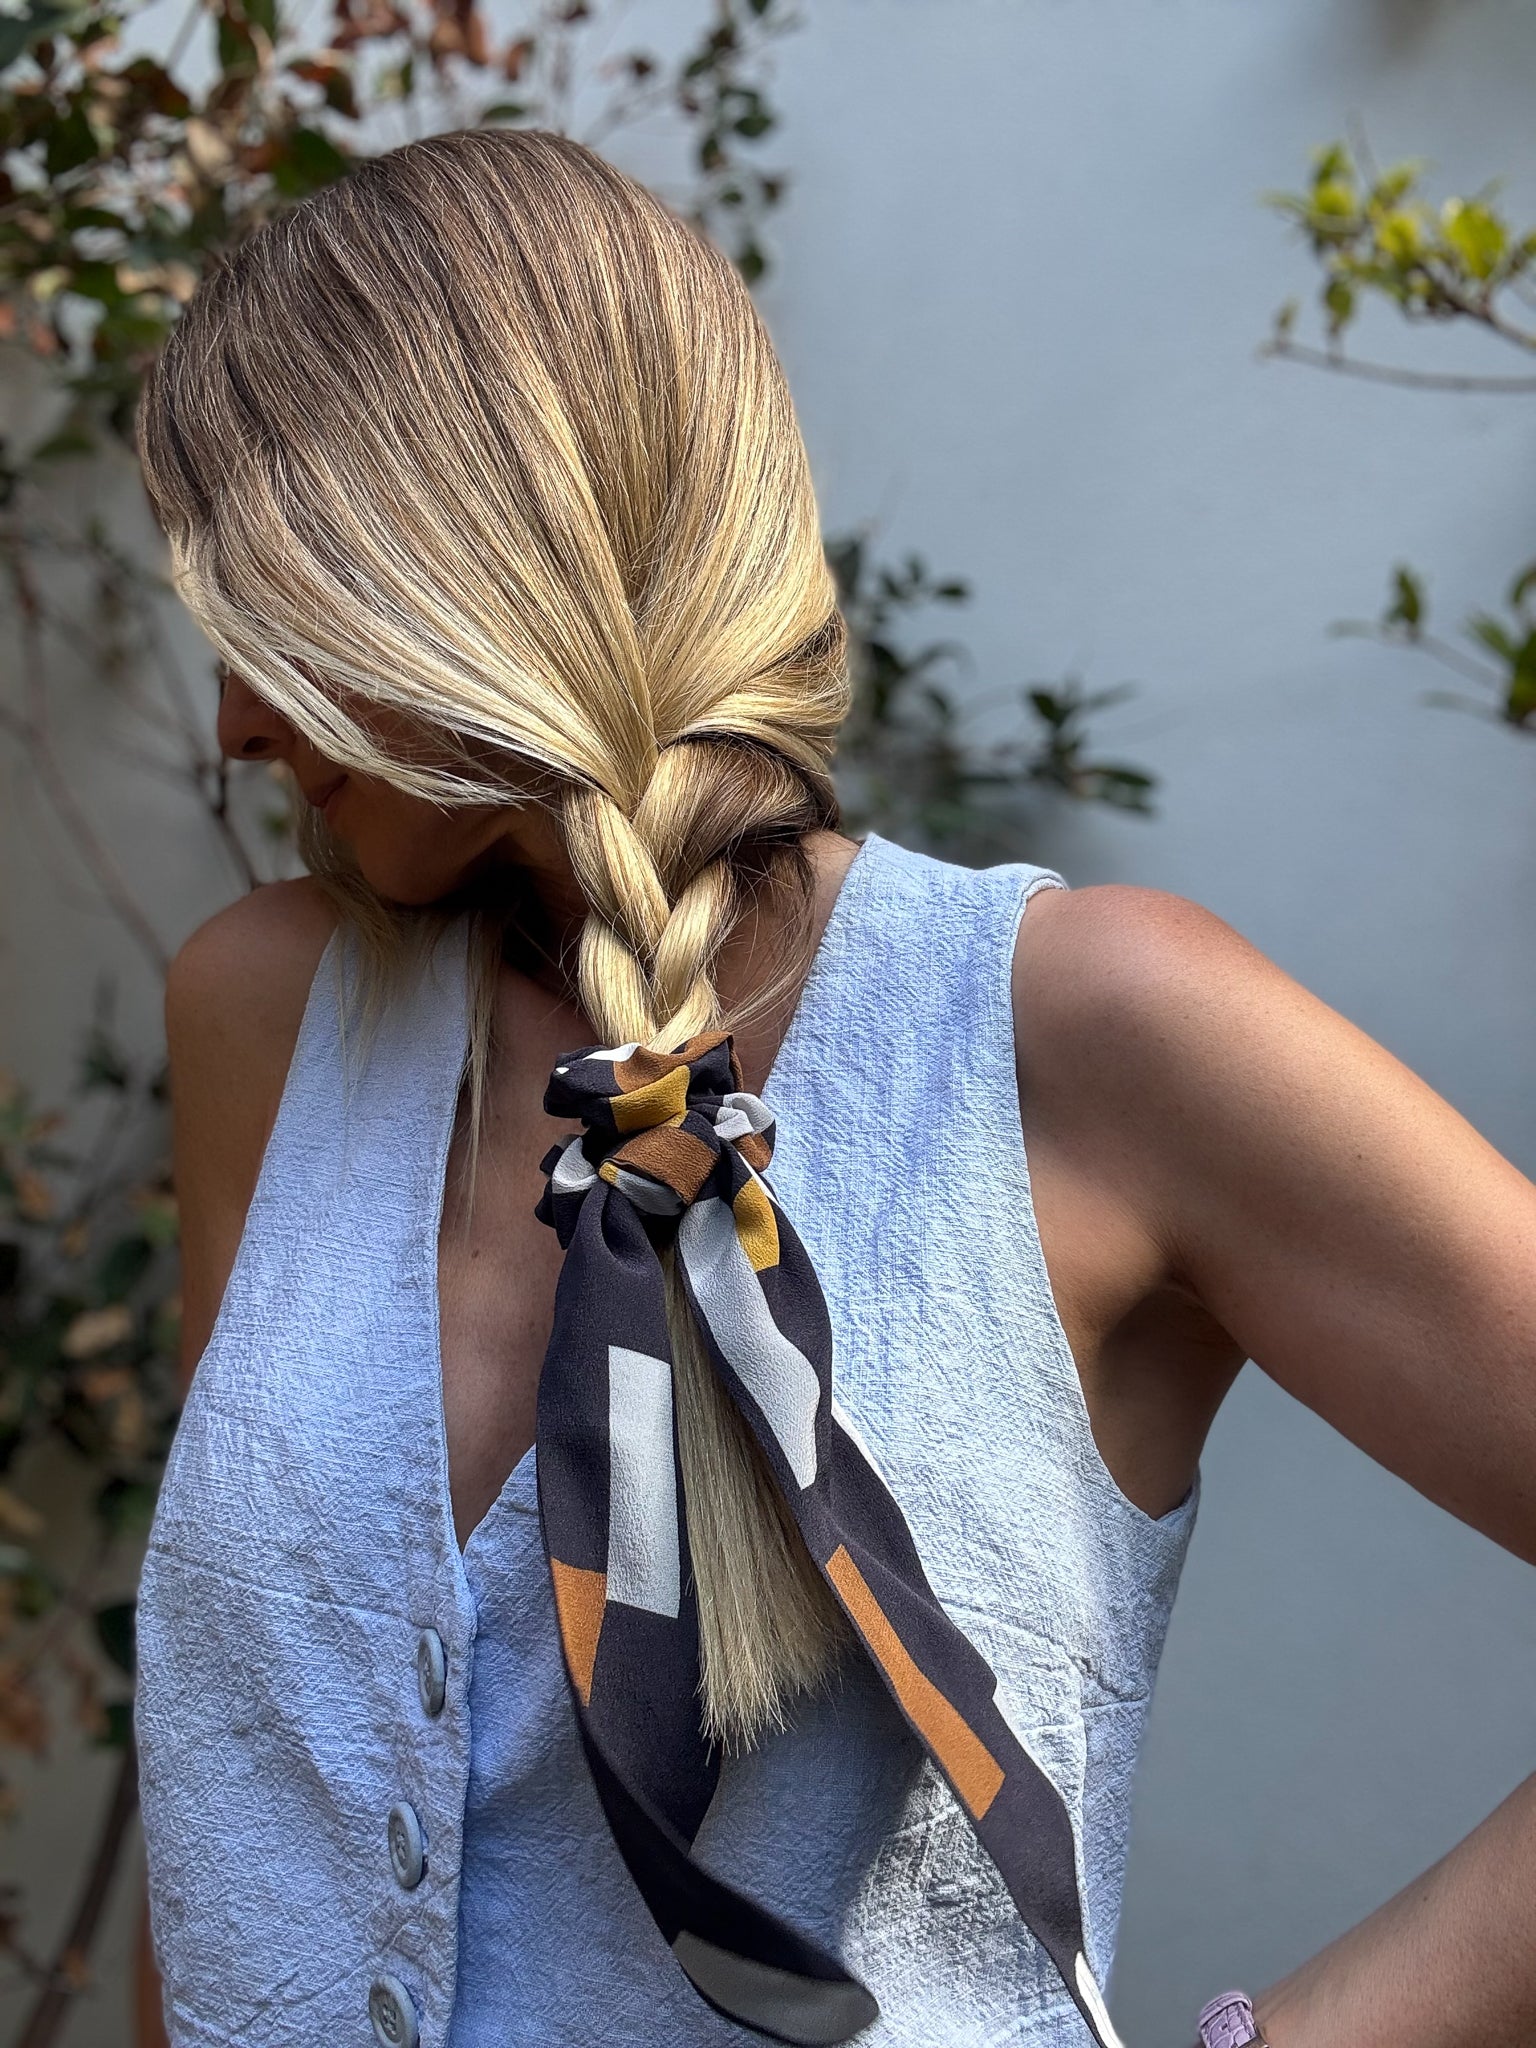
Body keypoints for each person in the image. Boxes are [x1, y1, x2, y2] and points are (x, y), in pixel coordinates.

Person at [130, 126, 1535, 2048]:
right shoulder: (270, 1018)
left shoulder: (1085, 1037)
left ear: (478, 577)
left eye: (284, 619)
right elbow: (235, 1788)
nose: (233, 717)